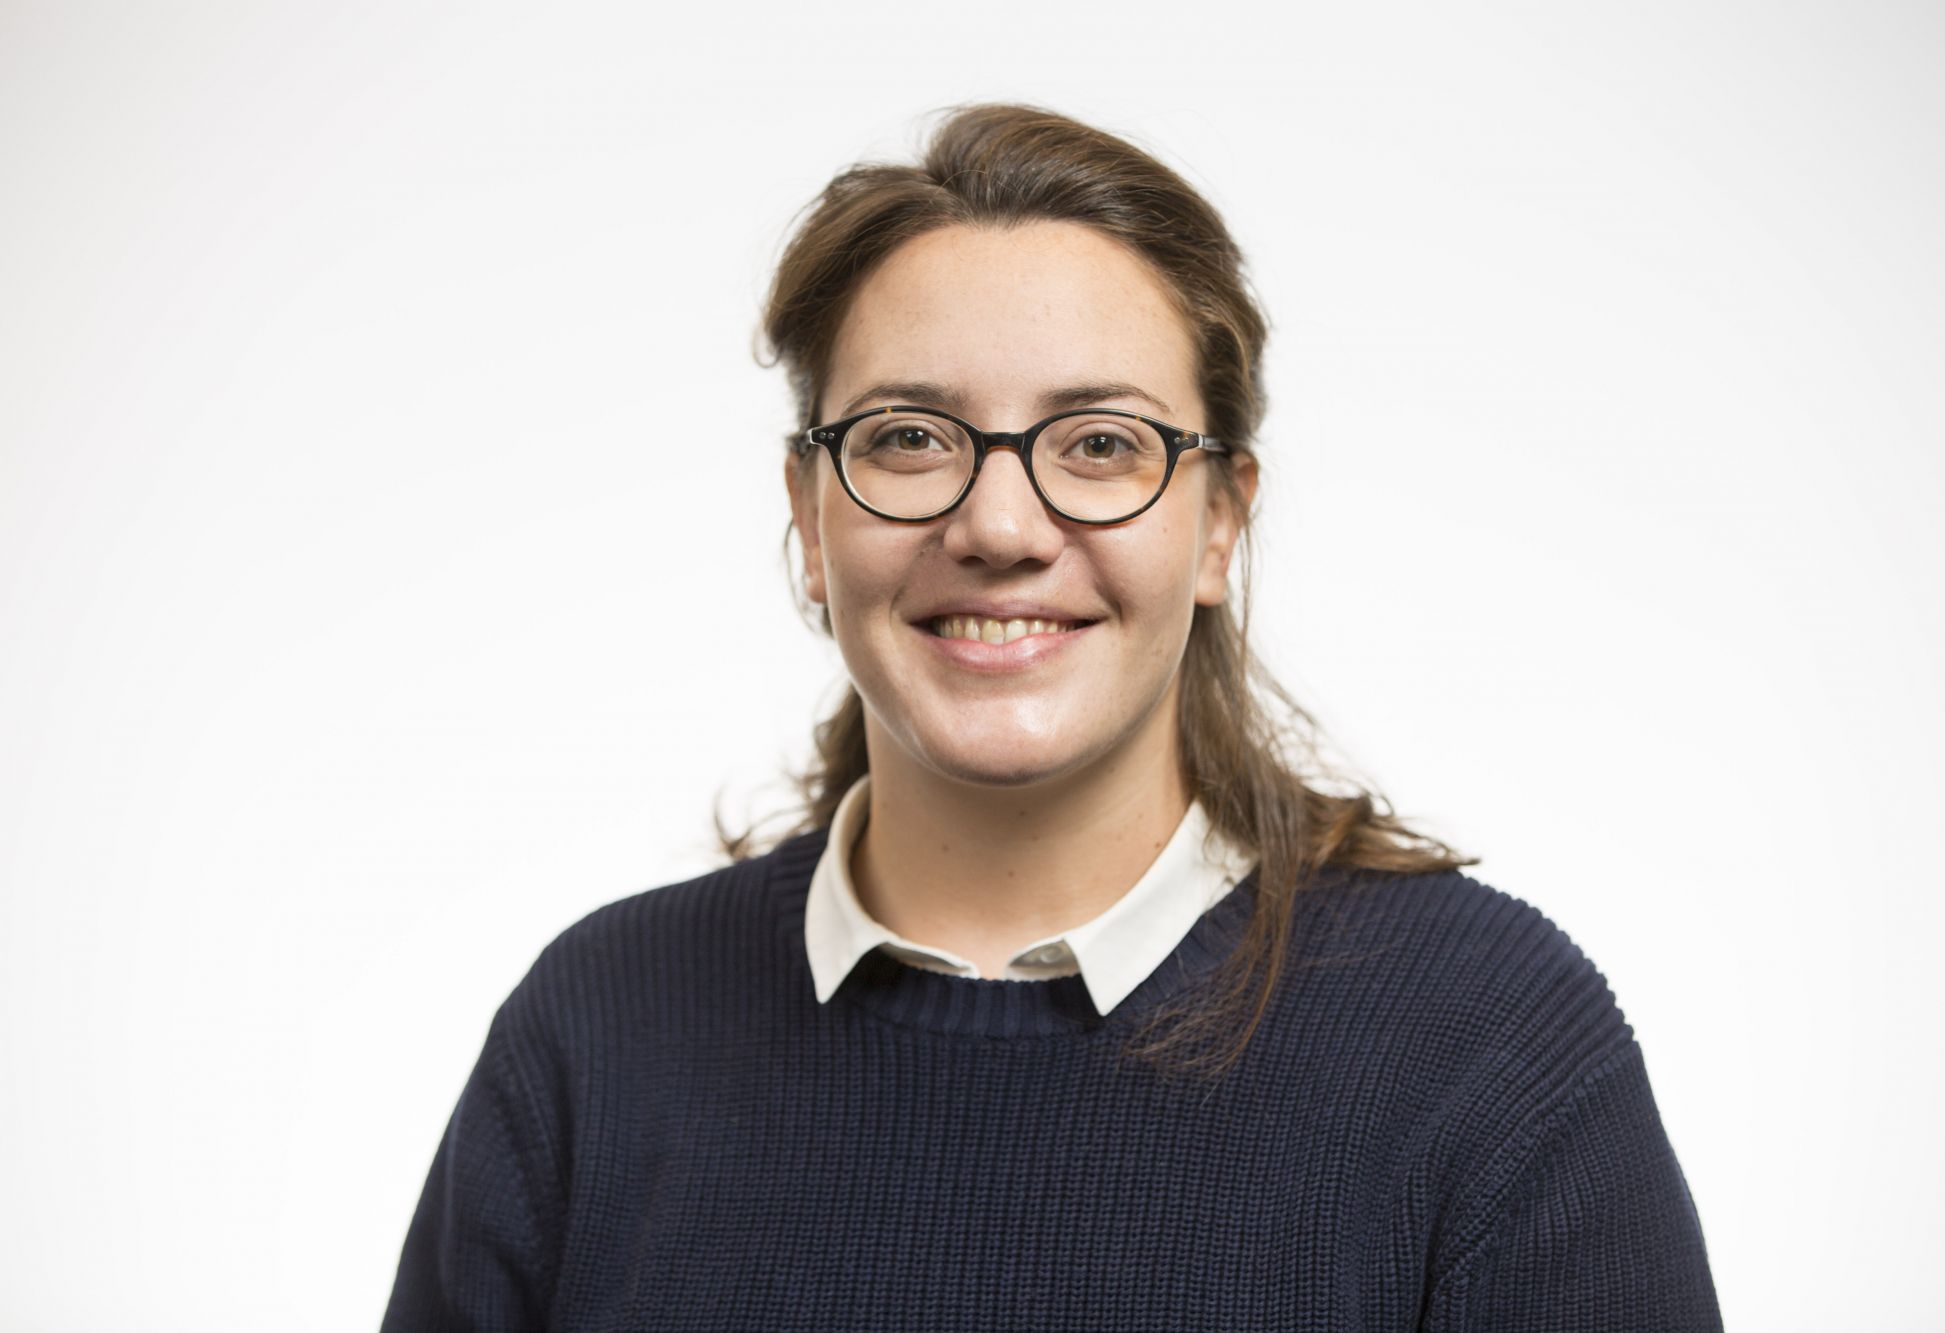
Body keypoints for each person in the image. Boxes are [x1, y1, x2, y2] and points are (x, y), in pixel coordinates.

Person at [381, 104, 1723, 1332]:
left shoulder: (1490, 1043)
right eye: (910, 437)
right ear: (808, 512)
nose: (1002, 527)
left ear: (1219, 523)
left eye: (1100, 445)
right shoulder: (594, 1034)